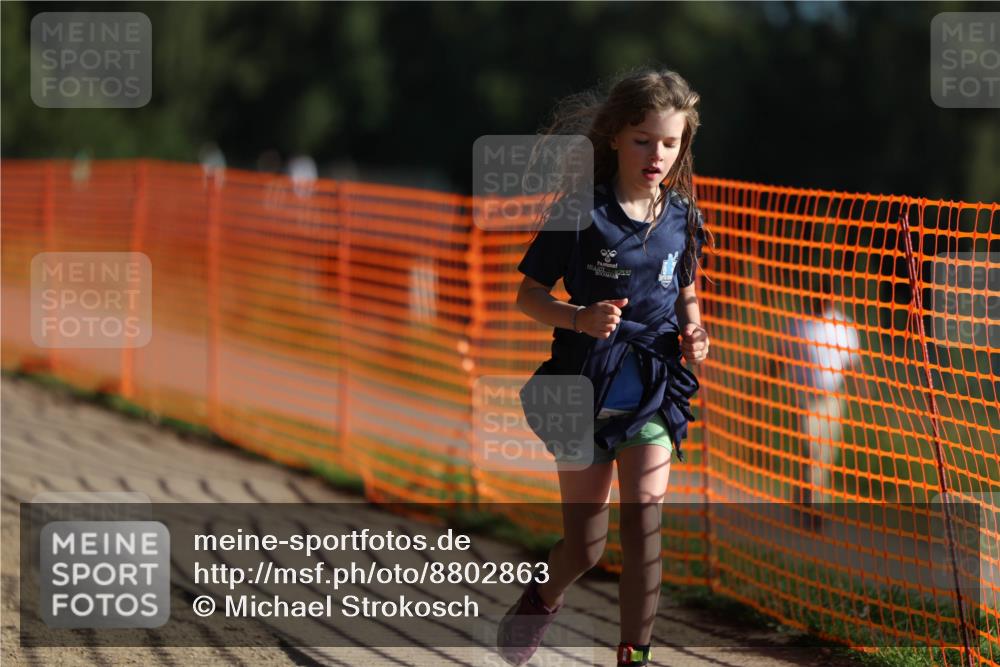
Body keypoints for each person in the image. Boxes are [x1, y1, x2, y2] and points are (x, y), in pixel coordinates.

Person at [497, 67, 710, 667]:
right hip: (582, 389)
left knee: (645, 519)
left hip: (651, 390)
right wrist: (578, 318)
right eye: (644, 140)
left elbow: (686, 291)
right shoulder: (581, 210)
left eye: (670, 143)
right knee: (586, 547)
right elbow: (528, 295)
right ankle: (543, 596)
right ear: (615, 136)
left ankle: (633, 655)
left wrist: (695, 332)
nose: (657, 155)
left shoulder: (683, 218)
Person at [776, 288, 861, 529]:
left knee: (825, 457)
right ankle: (814, 511)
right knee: (810, 455)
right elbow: (778, 360)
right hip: (804, 399)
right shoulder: (798, 325)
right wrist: (757, 389)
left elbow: (853, 365)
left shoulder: (844, 327)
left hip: (833, 400)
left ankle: (806, 503)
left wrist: (865, 393)